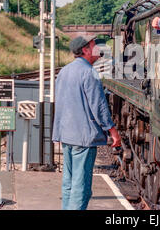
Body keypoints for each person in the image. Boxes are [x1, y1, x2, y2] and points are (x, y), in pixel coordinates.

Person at [52, 34, 122, 210]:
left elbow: (59, 103)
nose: (97, 47)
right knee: (81, 187)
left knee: (68, 183)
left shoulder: (64, 71)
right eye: (93, 44)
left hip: (67, 135)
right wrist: (113, 131)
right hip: (83, 138)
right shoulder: (89, 72)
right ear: (85, 50)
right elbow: (99, 107)